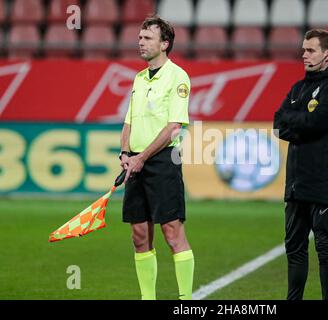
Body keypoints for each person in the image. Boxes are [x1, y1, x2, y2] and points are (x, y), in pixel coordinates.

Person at [273, 29, 328, 300]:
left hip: (324, 182)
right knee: (294, 248)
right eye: (303, 50)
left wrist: (296, 123)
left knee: (325, 247)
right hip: (296, 182)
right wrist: (300, 124)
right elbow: (278, 125)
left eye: (310, 50)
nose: (303, 55)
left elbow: (314, 123)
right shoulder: (298, 88)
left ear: (327, 55)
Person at [119, 15, 194, 300]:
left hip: (163, 161)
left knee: (172, 233)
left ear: (164, 44)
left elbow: (174, 126)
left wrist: (142, 158)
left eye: (147, 38)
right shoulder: (139, 78)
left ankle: (186, 301)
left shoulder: (178, 77)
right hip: (136, 163)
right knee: (139, 235)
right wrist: (126, 153)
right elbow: (128, 122)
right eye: (139, 37)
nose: (140, 42)